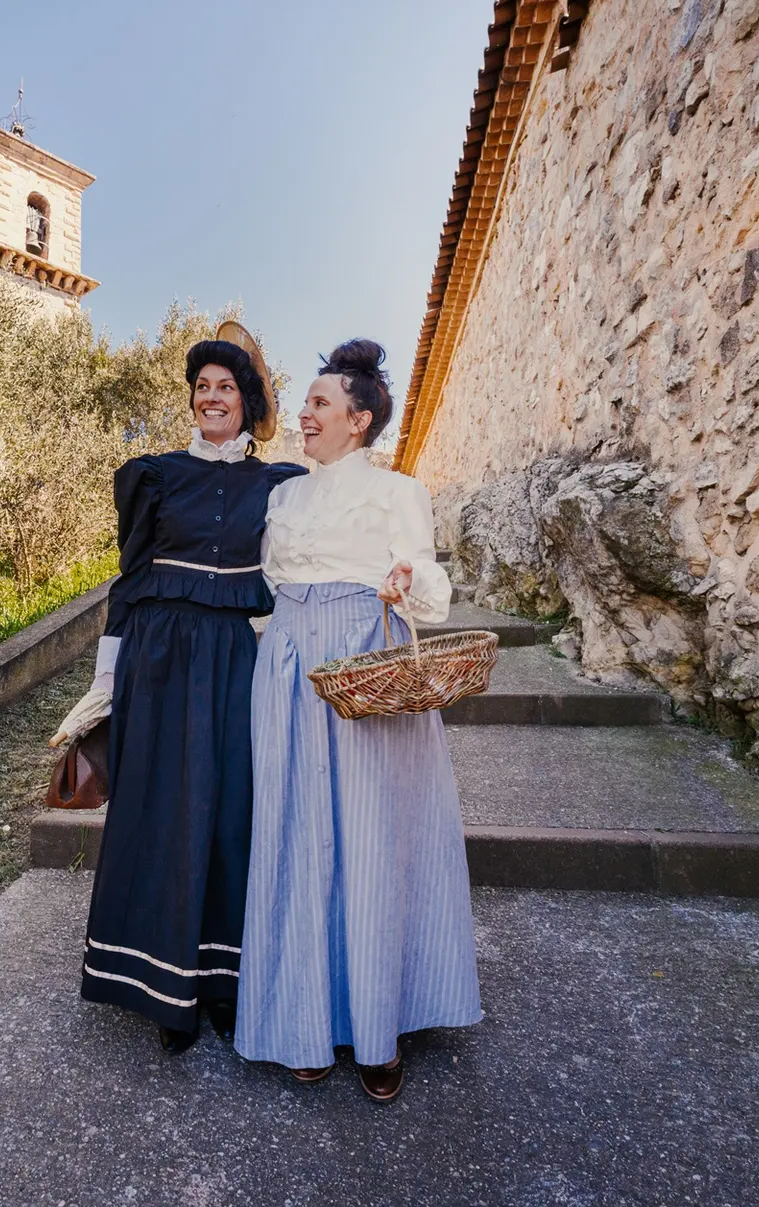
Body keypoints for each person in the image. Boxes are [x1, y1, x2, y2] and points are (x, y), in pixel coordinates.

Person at [234, 339, 481, 1102]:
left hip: (366, 662)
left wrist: (407, 577)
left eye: (318, 404)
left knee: (375, 835)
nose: (302, 415)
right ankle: (303, 1020)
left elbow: (430, 583)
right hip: (286, 663)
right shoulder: (283, 498)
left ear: (358, 417)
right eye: (306, 404)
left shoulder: (400, 492)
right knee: (294, 831)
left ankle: (379, 1027)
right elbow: (274, 583)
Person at [50, 332, 305, 1053]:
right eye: (202, 388)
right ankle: (165, 991)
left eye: (225, 387)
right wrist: (104, 680)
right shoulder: (153, 476)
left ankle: (222, 983)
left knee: (230, 810)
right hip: (159, 659)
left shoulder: (277, 485)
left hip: (233, 657)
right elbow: (128, 585)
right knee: (165, 810)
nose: (211, 398)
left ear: (246, 401)